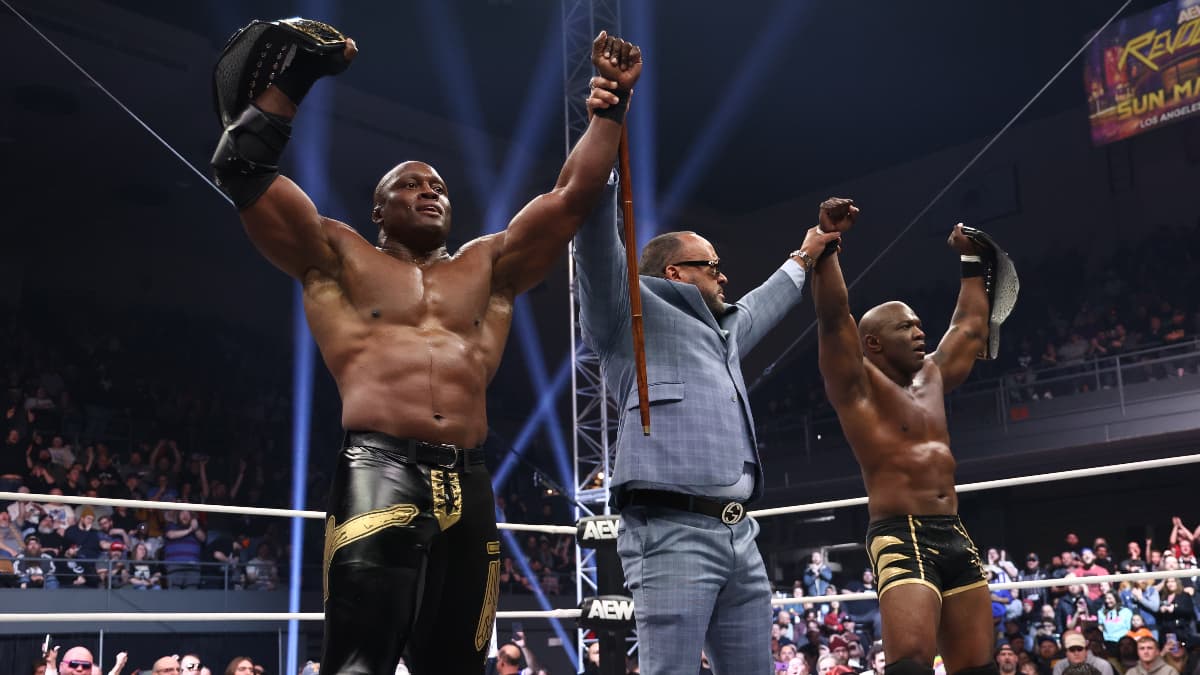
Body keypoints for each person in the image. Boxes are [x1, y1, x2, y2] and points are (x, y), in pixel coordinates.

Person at [209, 18, 642, 674]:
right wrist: (299, 76)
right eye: (411, 185)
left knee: (459, 666)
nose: (430, 191)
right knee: (360, 662)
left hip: (469, 479)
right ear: (378, 210)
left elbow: (572, 198)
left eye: (438, 185)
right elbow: (241, 166)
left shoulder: (488, 266)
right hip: (379, 467)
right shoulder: (336, 255)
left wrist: (611, 105)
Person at [576, 82, 840, 675]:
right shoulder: (629, 311)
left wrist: (807, 253)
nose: (725, 276)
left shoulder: (721, 333)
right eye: (712, 266)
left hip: (739, 532)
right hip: (669, 531)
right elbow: (595, 241)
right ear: (676, 270)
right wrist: (608, 127)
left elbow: (763, 305)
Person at [811, 201, 1016, 675]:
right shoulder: (856, 385)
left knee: (979, 668)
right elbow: (833, 316)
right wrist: (828, 243)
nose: (921, 332)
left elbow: (967, 327)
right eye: (906, 326)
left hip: (955, 530)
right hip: (901, 533)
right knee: (911, 666)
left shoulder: (934, 376)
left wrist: (969, 260)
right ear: (874, 343)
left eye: (920, 323)